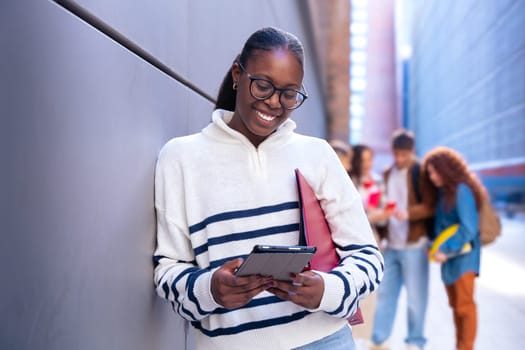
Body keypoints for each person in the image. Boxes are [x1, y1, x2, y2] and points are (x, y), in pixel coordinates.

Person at [152, 27, 384, 350]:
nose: (274, 103)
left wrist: (326, 290)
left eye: (289, 94)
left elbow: (369, 258)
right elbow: (167, 271)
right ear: (238, 74)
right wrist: (210, 289)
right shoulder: (180, 158)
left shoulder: (317, 155)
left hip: (325, 340)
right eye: (263, 86)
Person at [369, 130, 436, 350]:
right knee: (385, 296)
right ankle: (379, 340)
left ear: (412, 152)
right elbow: (384, 201)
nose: (400, 159)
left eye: (404, 155)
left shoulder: (420, 171)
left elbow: (429, 205)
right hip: (392, 246)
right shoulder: (388, 173)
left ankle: (415, 342)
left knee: (416, 299)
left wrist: (407, 213)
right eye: (397, 154)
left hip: (415, 245)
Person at [423, 147, 483, 350]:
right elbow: (444, 229)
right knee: (457, 308)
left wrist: (445, 250)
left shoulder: (461, 190)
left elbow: (469, 228)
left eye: (434, 172)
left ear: (445, 169)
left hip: (464, 259)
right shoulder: (445, 193)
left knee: (465, 308)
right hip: (450, 260)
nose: (431, 177)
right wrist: (433, 247)